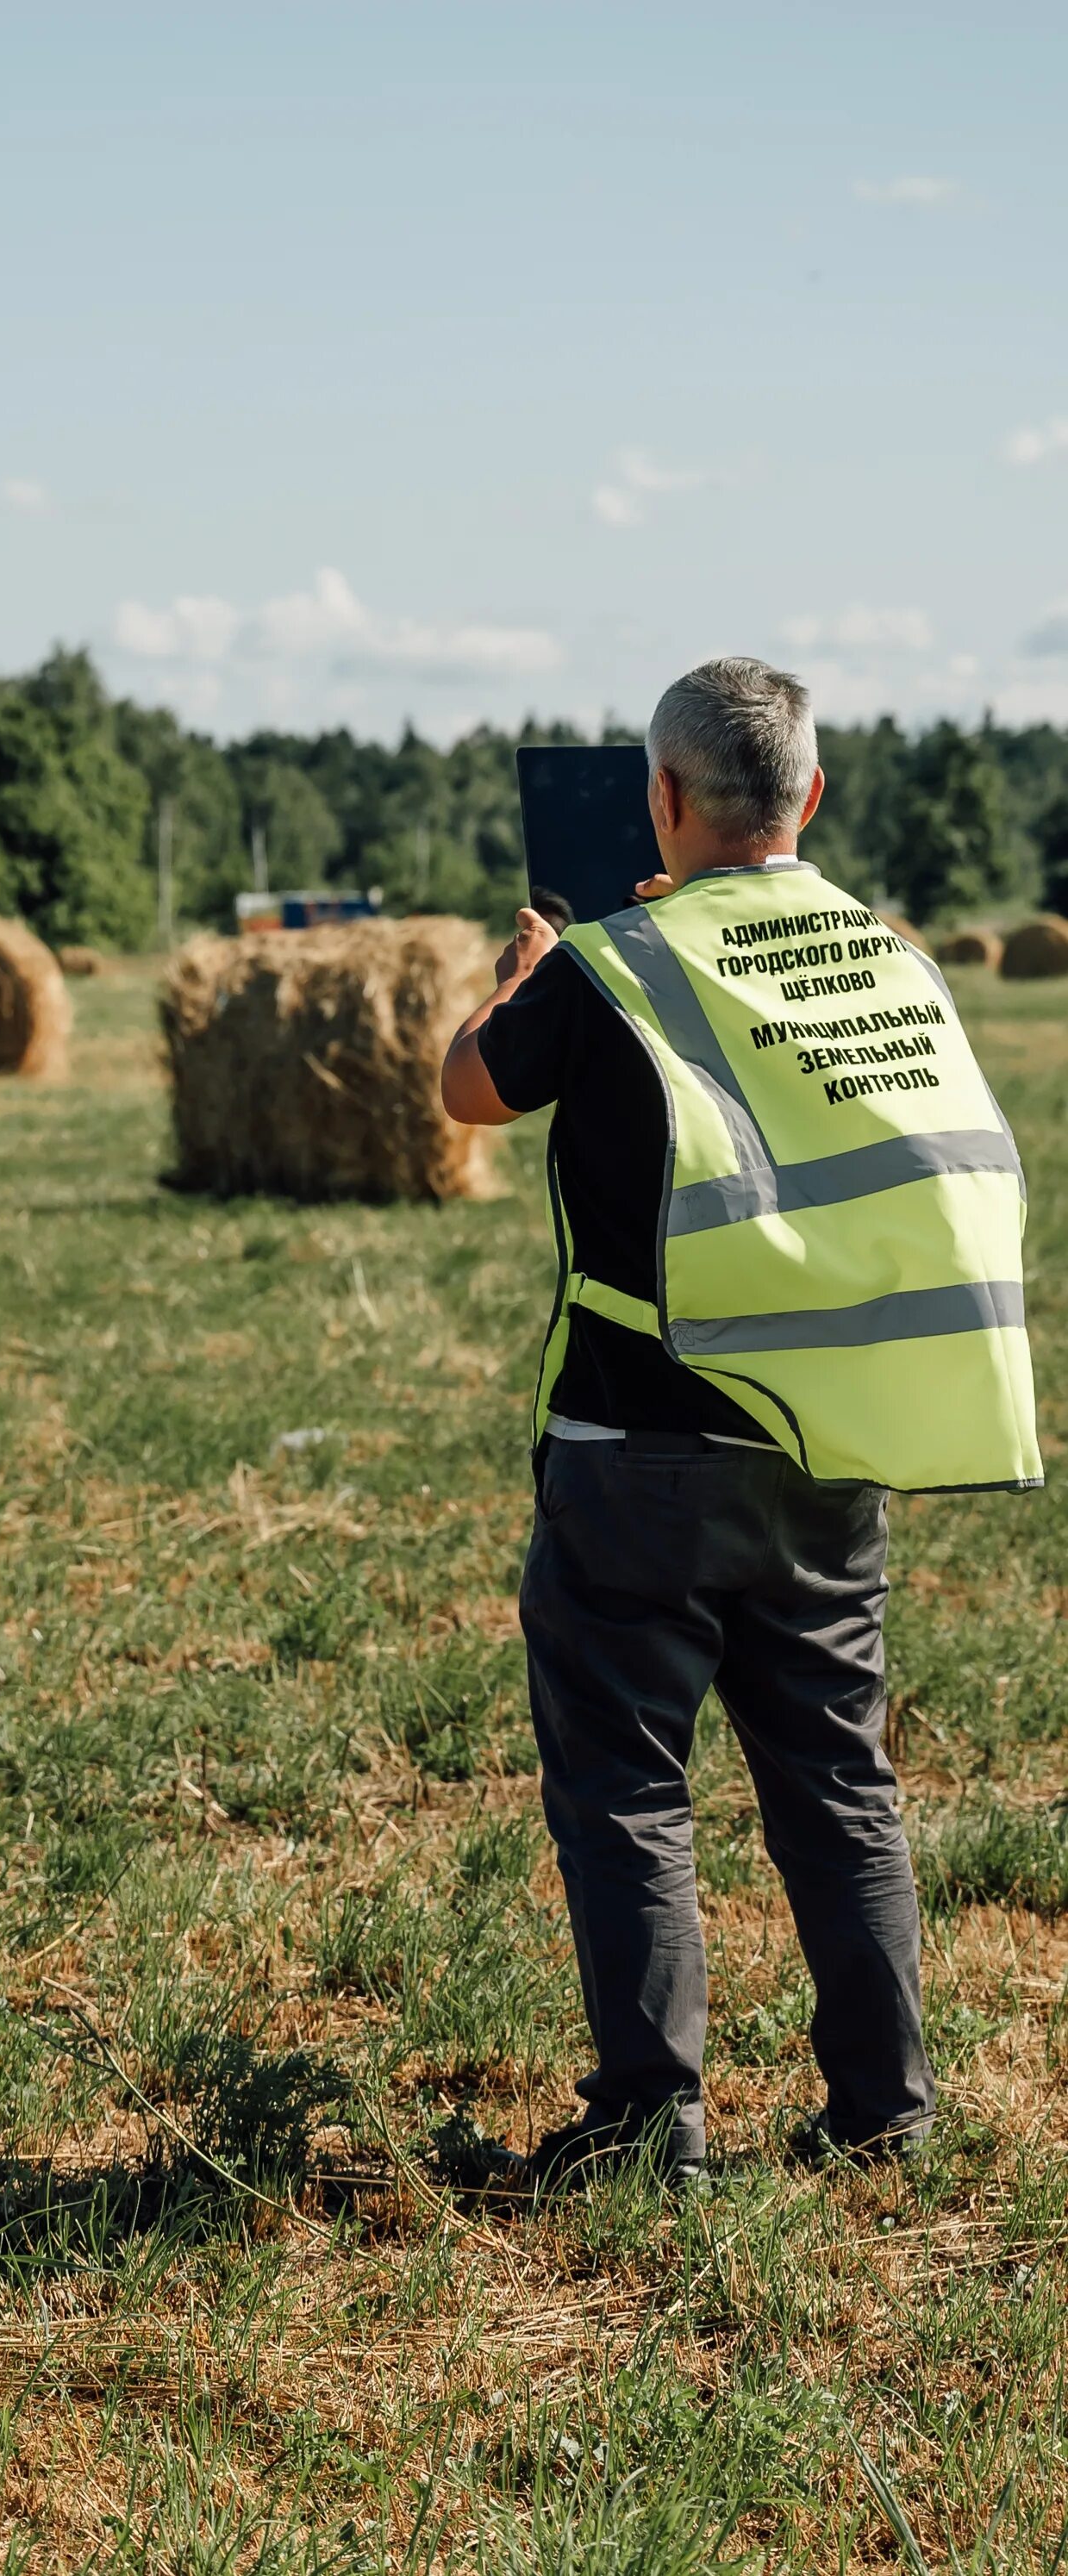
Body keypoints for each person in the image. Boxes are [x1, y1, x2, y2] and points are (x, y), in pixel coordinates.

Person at [438, 657, 1040, 2191]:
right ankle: (885, 2109)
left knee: (629, 1782)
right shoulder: (893, 964)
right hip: (829, 1447)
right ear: (809, 798)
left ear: (665, 798)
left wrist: (530, 966)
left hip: (635, 1449)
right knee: (840, 1777)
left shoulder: (615, 964)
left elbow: (466, 1095)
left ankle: (652, 2128)